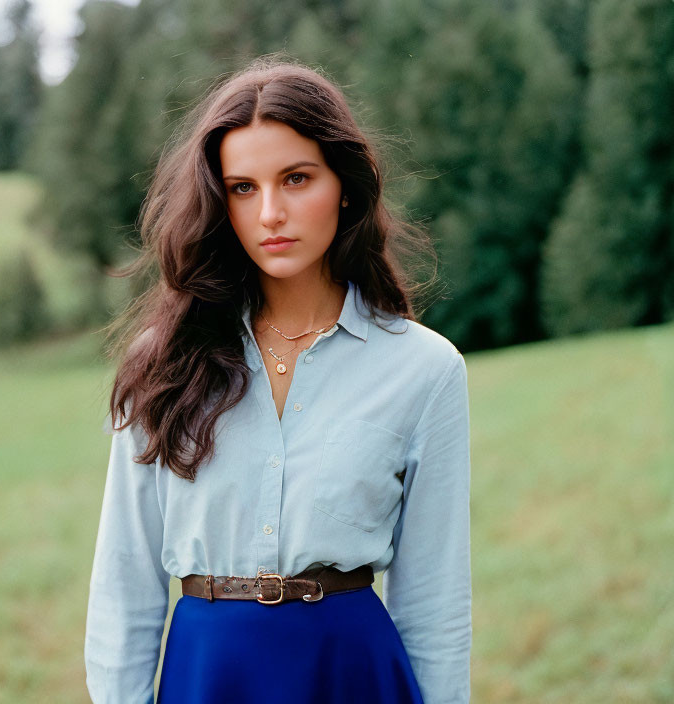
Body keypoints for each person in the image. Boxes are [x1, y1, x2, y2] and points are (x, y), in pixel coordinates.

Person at [84, 56, 471, 704]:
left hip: (351, 675)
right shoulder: (163, 362)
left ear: (344, 185)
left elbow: (435, 602)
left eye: (296, 178)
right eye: (243, 187)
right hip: (208, 676)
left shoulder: (425, 372)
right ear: (219, 201)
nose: (270, 212)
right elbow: (124, 587)